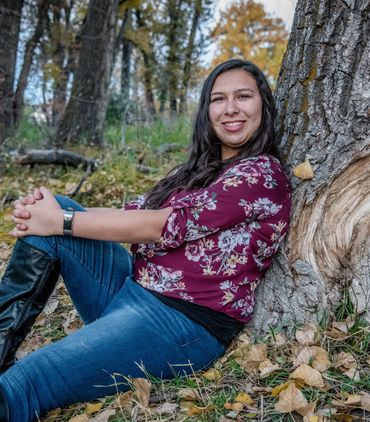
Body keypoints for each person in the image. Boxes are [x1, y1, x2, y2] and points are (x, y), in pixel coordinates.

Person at [0, 58, 291, 422]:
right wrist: (49, 215)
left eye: (243, 96)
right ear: (206, 110)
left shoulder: (261, 174)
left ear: (263, 104)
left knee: (26, 384)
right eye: (218, 99)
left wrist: (63, 221)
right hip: (133, 288)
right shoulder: (195, 169)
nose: (230, 108)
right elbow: (131, 213)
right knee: (57, 209)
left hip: (181, 324)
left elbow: (160, 226)